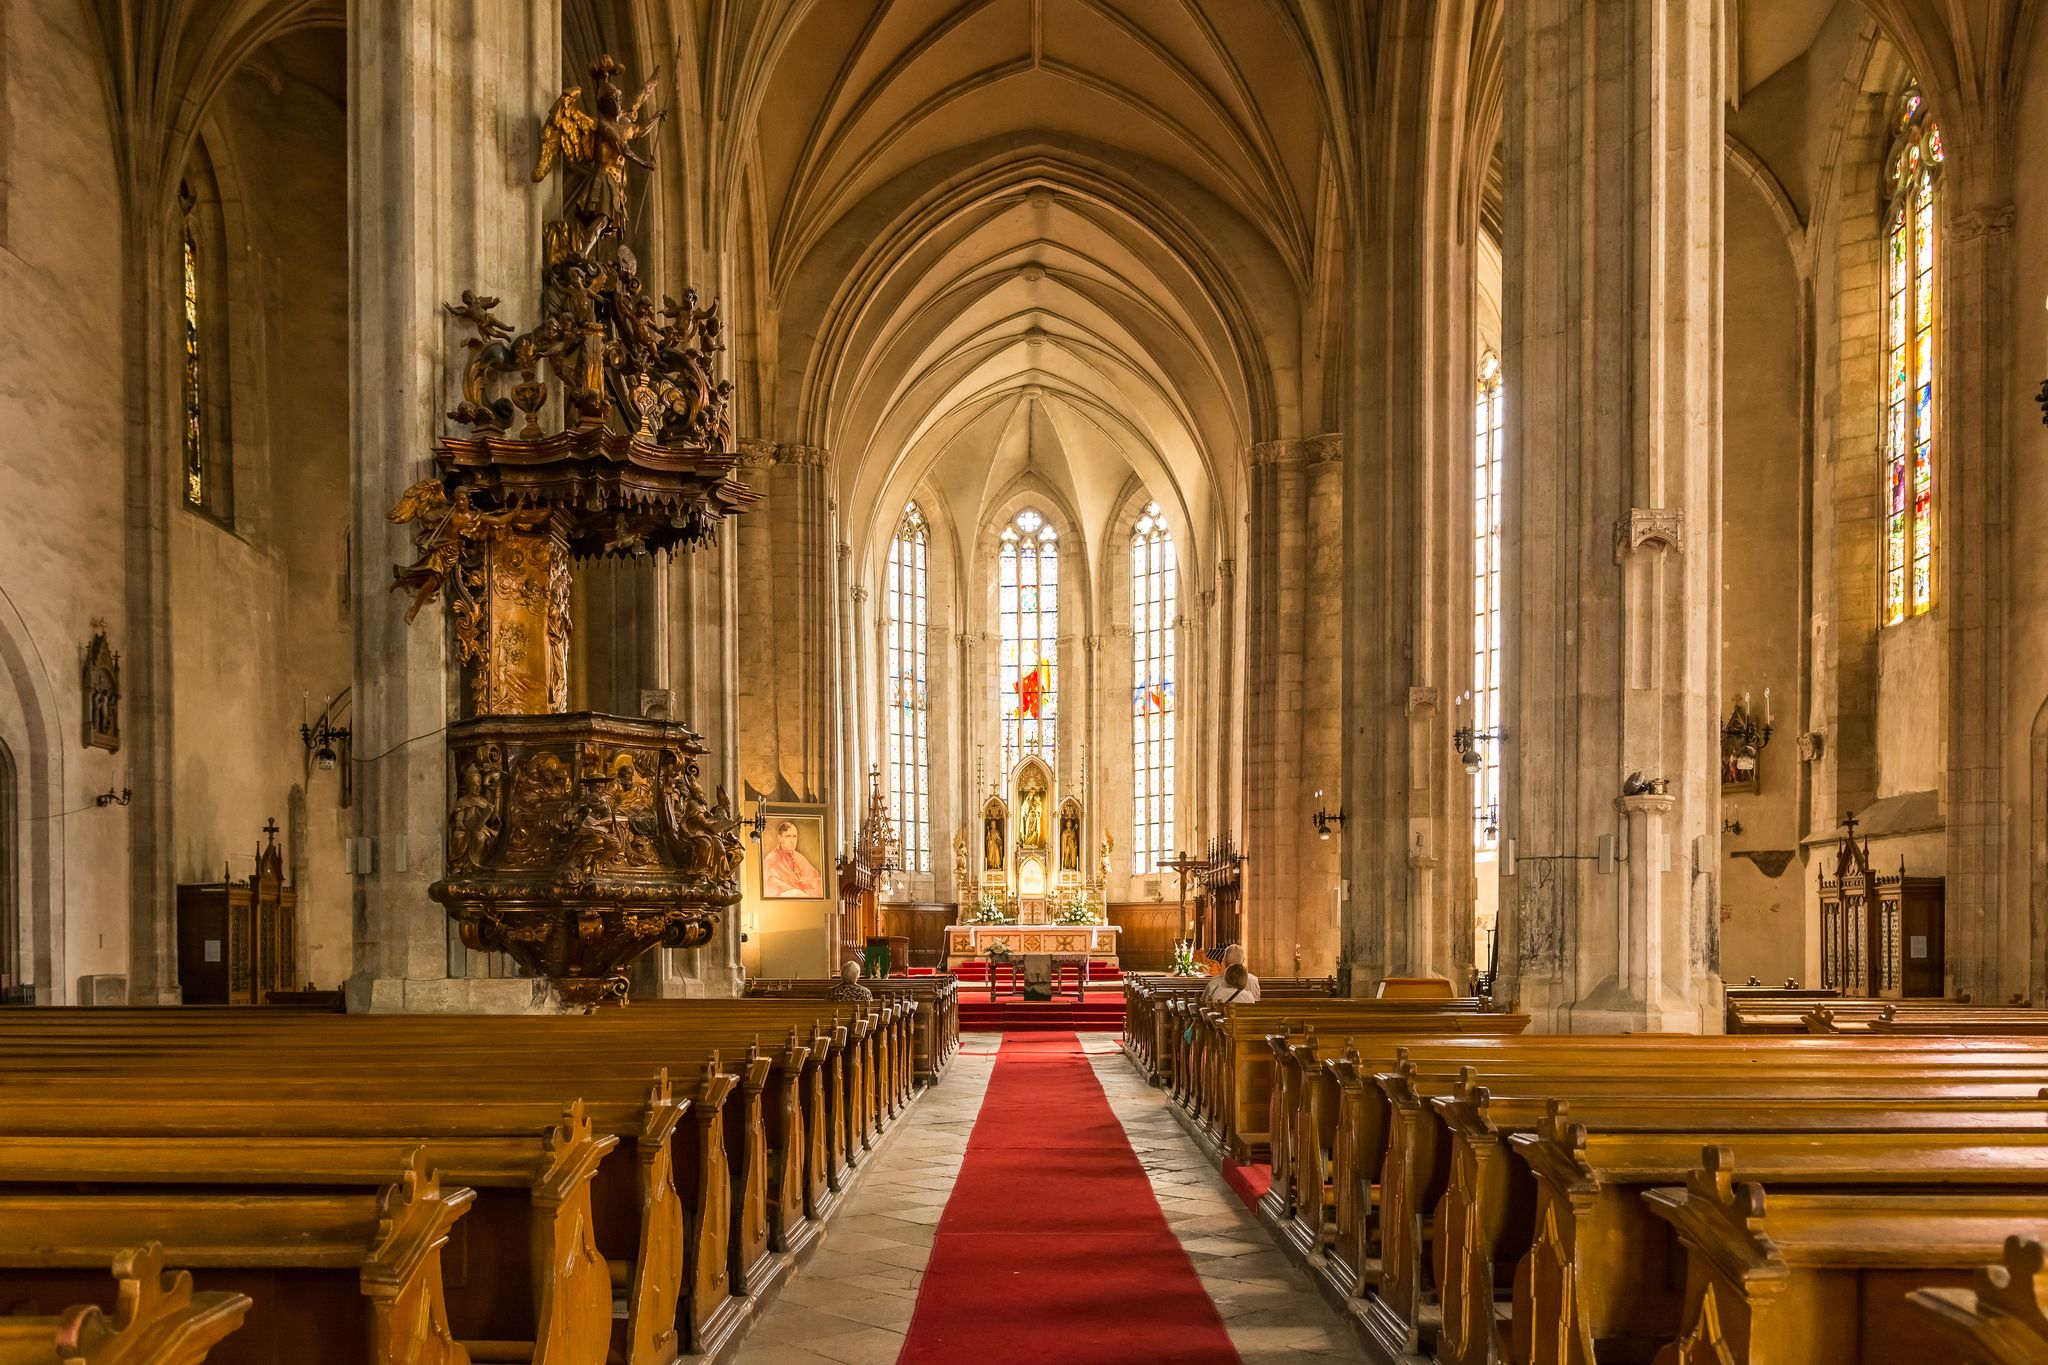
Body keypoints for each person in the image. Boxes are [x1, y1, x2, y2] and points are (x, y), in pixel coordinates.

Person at [762, 819, 824, 898]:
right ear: (780, 838)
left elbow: (817, 881)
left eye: (794, 836)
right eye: (788, 836)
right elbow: (770, 888)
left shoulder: (800, 858)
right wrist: (795, 892)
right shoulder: (770, 860)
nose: (792, 841)